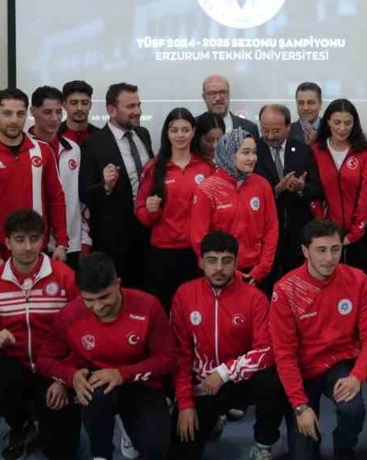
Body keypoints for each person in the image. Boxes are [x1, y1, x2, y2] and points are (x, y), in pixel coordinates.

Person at [38, 252, 174, 460]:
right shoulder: (69, 314)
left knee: (155, 449)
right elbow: (46, 359)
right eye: (89, 300)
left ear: (117, 284)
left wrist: (123, 373)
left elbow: (167, 359)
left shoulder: (148, 305)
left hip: (138, 385)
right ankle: (102, 459)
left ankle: (126, 424)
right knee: (94, 391)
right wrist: (70, 376)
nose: (98, 307)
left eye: (104, 297)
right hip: (96, 385)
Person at [269, 219, 367, 460]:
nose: (330, 258)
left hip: (338, 365)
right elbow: (284, 354)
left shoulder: (357, 280)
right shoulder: (286, 290)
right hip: (302, 369)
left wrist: (357, 376)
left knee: (354, 407)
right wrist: (300, 405)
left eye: (335, 249)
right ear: (305, 251)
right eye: (321, 250)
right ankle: (303, 433)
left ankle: (344, 448)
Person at [167, 231, 286, 460]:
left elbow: (266, 350)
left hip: (238, 380)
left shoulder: (254, 297)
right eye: (212, 260)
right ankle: (211, 420)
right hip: (202, 386)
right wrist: (186, 403)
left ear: (236, 261)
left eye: (226, 260)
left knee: (274, 381)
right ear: (201, 262)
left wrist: (224, 373)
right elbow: (180, 355)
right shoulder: (184, 295)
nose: (219, 268)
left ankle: (262, 448)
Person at [0, 209, 81, 460]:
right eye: (20, 239)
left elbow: (84, 333)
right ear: (7, 242)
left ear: (43, 240)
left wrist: (63, 379)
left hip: (54, 372)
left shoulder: (64, 276)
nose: (28, 247)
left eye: (34, 239)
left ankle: (46, 416)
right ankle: (20, 425)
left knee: (63, 456)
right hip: (15, 368)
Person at [0, 88, 69, 267]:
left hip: (39, 251)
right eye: (7, 113)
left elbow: (56, 199)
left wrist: (61, 243)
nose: (14, 120)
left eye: (20, 114)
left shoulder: (43, 150)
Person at [135, 107, 213, 312]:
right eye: (175, 130)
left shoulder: (207, 168)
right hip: (163, 253)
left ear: (194, 132)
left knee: (196, 310)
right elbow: (141, 214)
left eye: (185, 130)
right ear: (167, 133)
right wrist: (151, 210)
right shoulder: (154, 169)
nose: (180, 135)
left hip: (197, 253)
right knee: (163, 310)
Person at [79, 83, 154, 287]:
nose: (137, 111)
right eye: (130, 107)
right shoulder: (93, 144)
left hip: (148, 234)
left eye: (138, 105)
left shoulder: (143, 134)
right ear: (111, 110)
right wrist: (105, 186)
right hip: (114, 241)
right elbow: (84, 193)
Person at [189, 129, 279, 286]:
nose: (252, 158)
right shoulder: (206, 189)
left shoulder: (262, 185)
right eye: (245, 153)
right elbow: (199, 239)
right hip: (219, 273)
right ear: (229, 154)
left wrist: (262, 269)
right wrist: (229, 271)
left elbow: (271, 229)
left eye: (254, 152)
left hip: (257, 273)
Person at [255, 104, 323, 280]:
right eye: (265, 130)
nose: (270, 136)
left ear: (288, 127)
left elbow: (317, 188)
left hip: (297, 230)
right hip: (264, 233)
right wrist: (275, 190)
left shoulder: (303, 150)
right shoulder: (253, 151)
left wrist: (301, 189)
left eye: (276, 130)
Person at [310, 99, 367, 277]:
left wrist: (354, 234)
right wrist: (323, 229)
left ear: (355, 124)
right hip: (327, 233)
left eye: (348, 123)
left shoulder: (365, 152)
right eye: (337, 122)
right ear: (328, 122)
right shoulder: (316, 151)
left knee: (360, 282)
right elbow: (314, 194)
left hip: (361, 233)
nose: (342, 128)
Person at [29, 86, 90, 267]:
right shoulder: (24, 149)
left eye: (58, 112)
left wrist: (84, 238)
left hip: (70, 243)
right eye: (47, 112)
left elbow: (80, 199)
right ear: (33, 112)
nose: (55, 118)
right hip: (32, 243)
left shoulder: (73, 149)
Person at [199, 74, 259, 138]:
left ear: (229, 94)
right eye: (212, 93)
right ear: (204, 97)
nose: (218, 98)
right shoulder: (194, 126)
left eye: (223, 92)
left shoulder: (249, 128)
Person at [61, 80, 102, 145]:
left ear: (90, 105)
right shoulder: (53, 135)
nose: (79, 108)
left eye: (84, 103)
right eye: (74, 103)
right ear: (64, 105)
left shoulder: (102, 137)